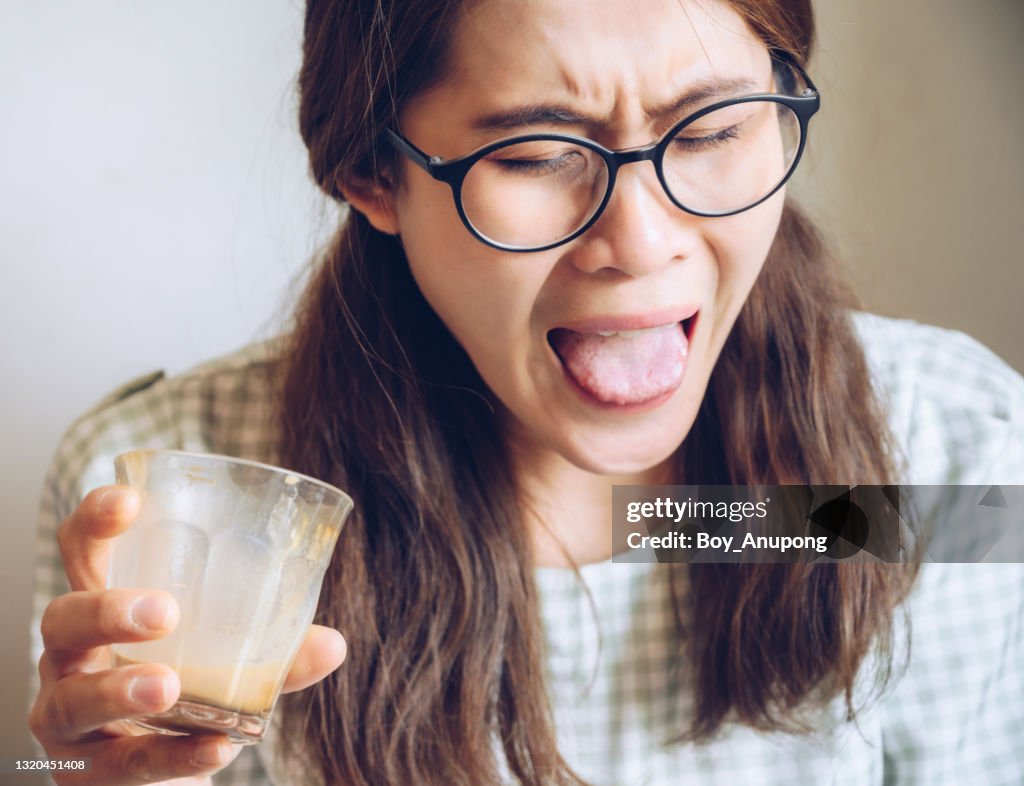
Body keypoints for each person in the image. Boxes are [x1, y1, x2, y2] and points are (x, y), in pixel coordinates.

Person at [29, 0, 1024, 784]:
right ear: (372, 174)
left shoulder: (946, 449)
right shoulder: (182, 491)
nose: (639, 241)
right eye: (538, 154)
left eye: (715, 129)